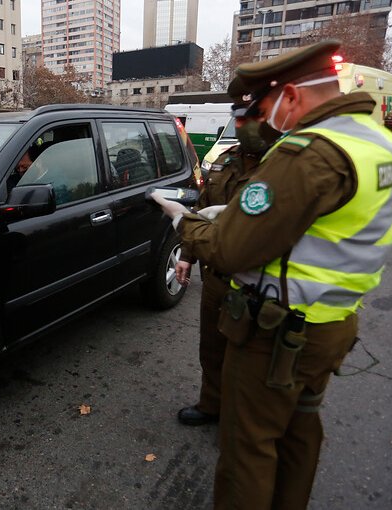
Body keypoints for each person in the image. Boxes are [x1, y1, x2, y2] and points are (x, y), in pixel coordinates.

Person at [153, 40, 392, 509]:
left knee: (249, 446)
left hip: (275, 330)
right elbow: (330, 224)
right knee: (299, 431)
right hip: (333, 322)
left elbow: (230, 250)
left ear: (291, 95)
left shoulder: (309, 152)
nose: (262, 120)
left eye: (262, 106)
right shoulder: (391, 149)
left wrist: (181, 219)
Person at [174, 77, 279, 427]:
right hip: (216, 277)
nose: (241, 125)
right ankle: (211, 404)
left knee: (249, 357)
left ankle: (241, 418)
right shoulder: (224, 160)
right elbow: (201, 212)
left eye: (249, 117)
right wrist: (187, 256)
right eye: (237, 118)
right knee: (212, 347)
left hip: (256, 283)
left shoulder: (285, 165)